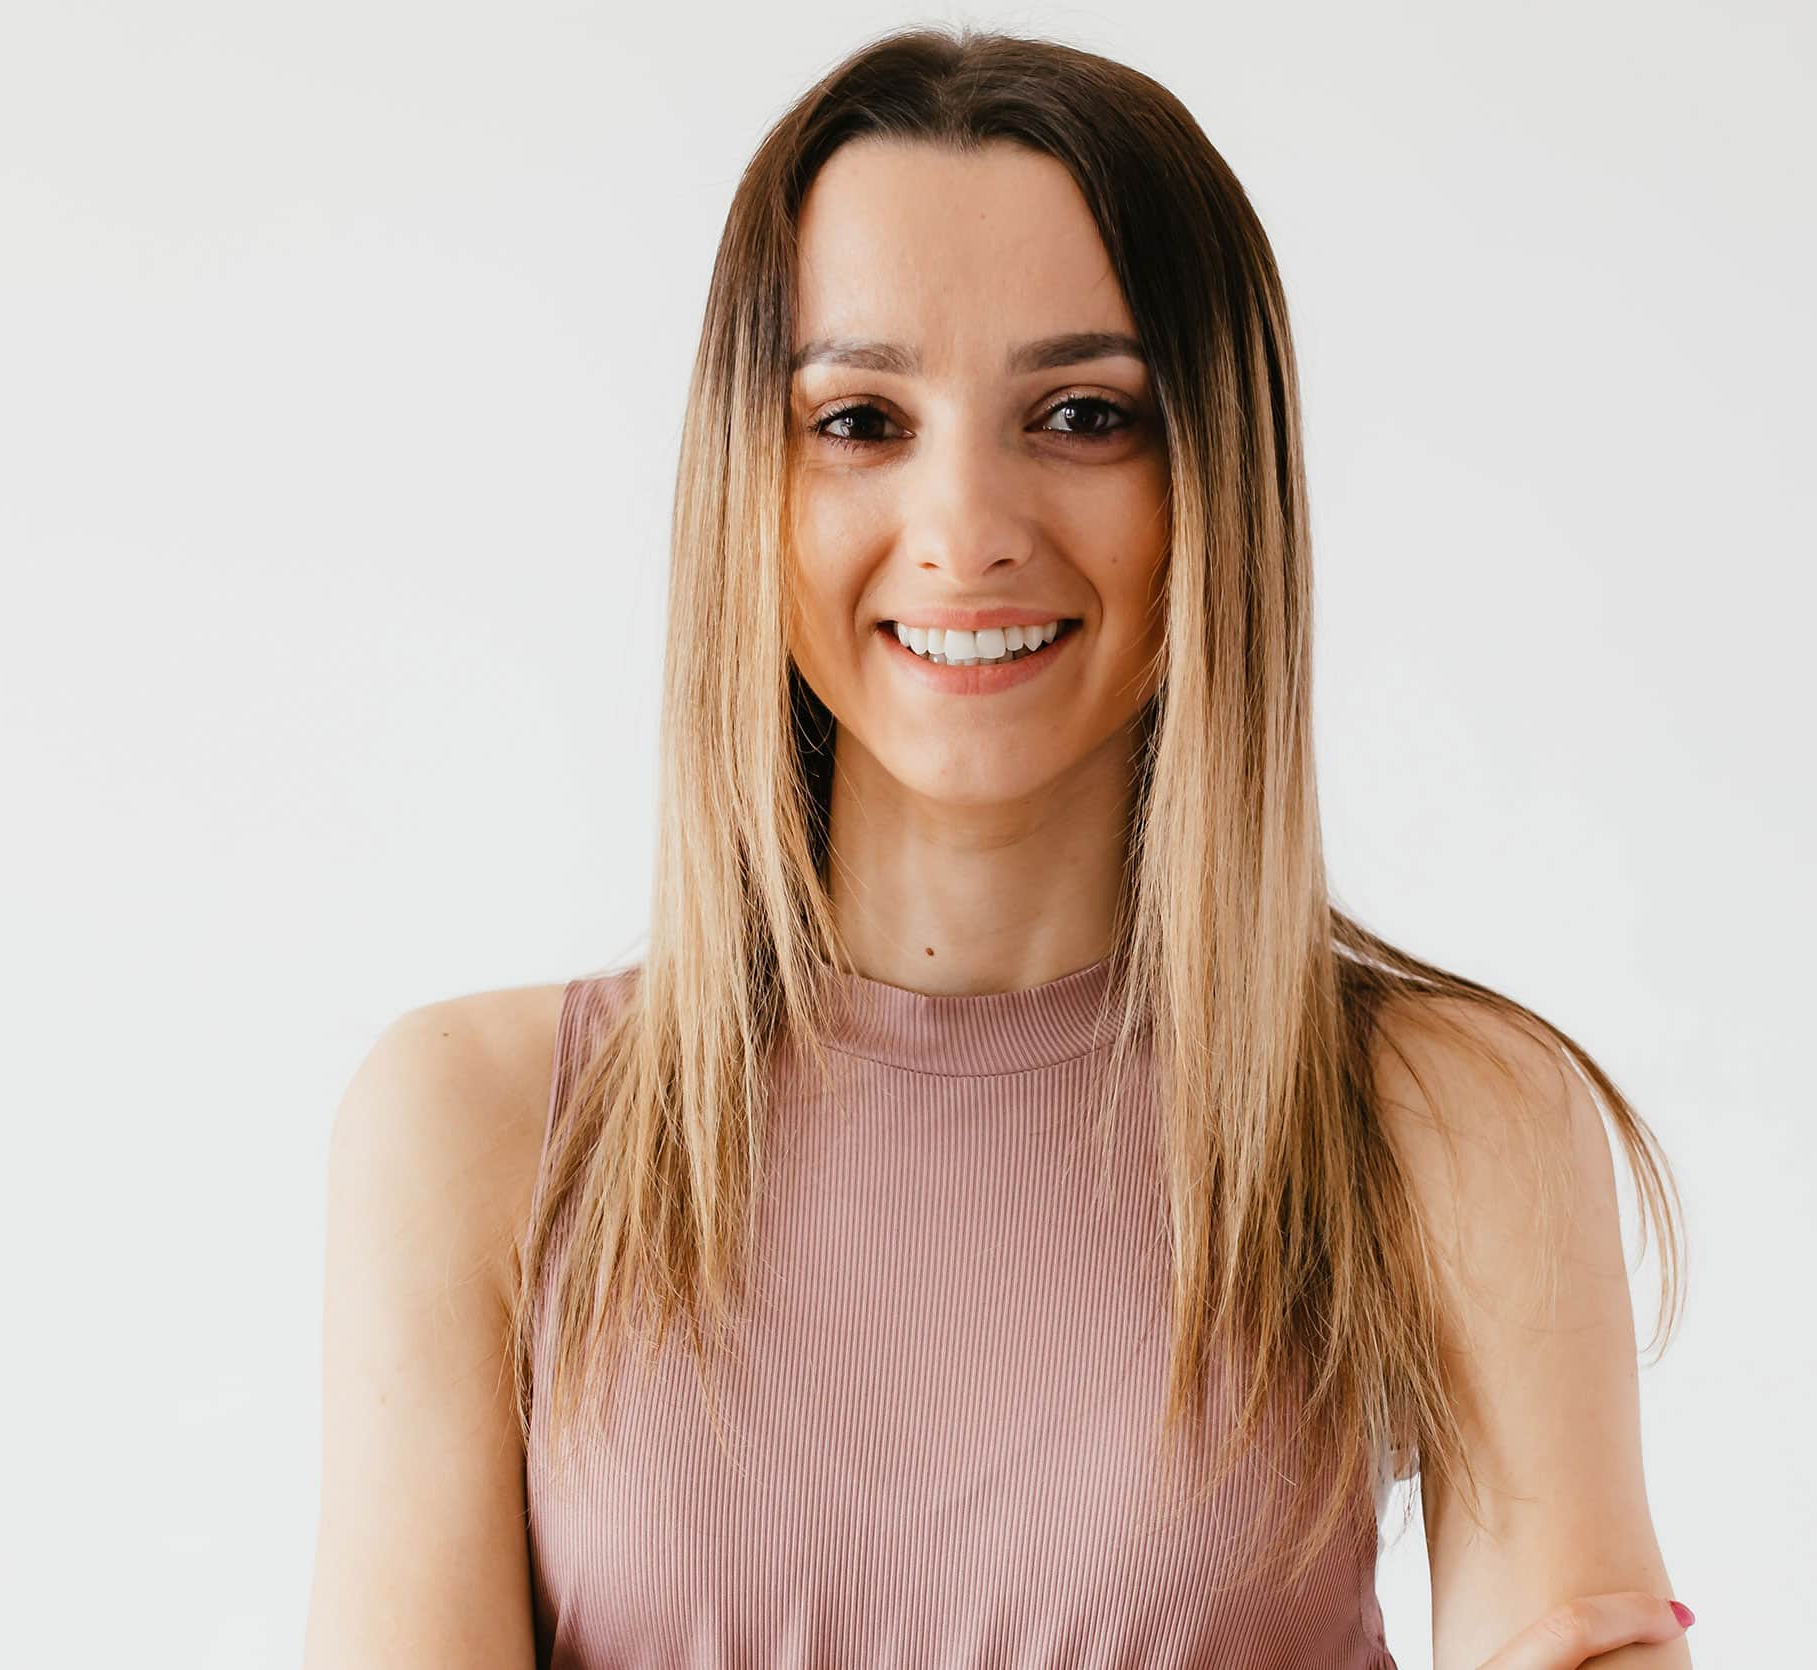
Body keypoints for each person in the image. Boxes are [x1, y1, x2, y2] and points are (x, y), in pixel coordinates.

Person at [303, 25, 1695, 1670]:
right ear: (751, 483)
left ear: (1215, 482)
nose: (966, 531)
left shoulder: (1445, 1123)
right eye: (859, 418)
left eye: (1085, 413)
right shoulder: (483, 1131)